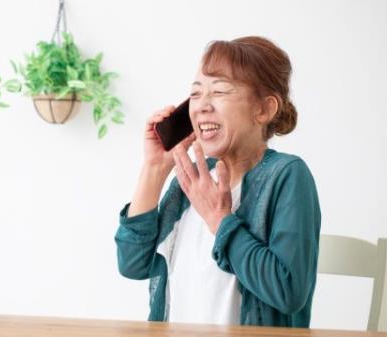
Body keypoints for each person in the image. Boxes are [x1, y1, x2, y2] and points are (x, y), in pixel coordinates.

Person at [114, 36, 321, 328]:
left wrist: (219, 220)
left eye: (220, 91)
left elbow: (288, 291)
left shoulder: (287, 176)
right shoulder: (193, 179)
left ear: (263, 109)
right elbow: (132, 264)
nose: (201, 107)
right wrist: (154, 169)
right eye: (196, 94)